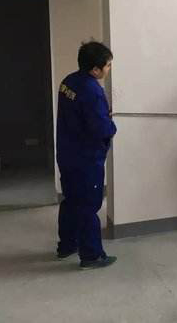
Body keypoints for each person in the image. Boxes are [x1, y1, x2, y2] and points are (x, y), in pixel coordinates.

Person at [56, 41, 117, 270]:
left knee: (71, 200)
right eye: (108, 65)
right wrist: (111, 126)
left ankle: (67, 245)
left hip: (67, 153)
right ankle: (91, 256)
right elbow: (101, 128)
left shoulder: (68, 82)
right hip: (86, 159)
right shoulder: (92, 90)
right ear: (95, 69)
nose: (109, 69)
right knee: (88, 206)